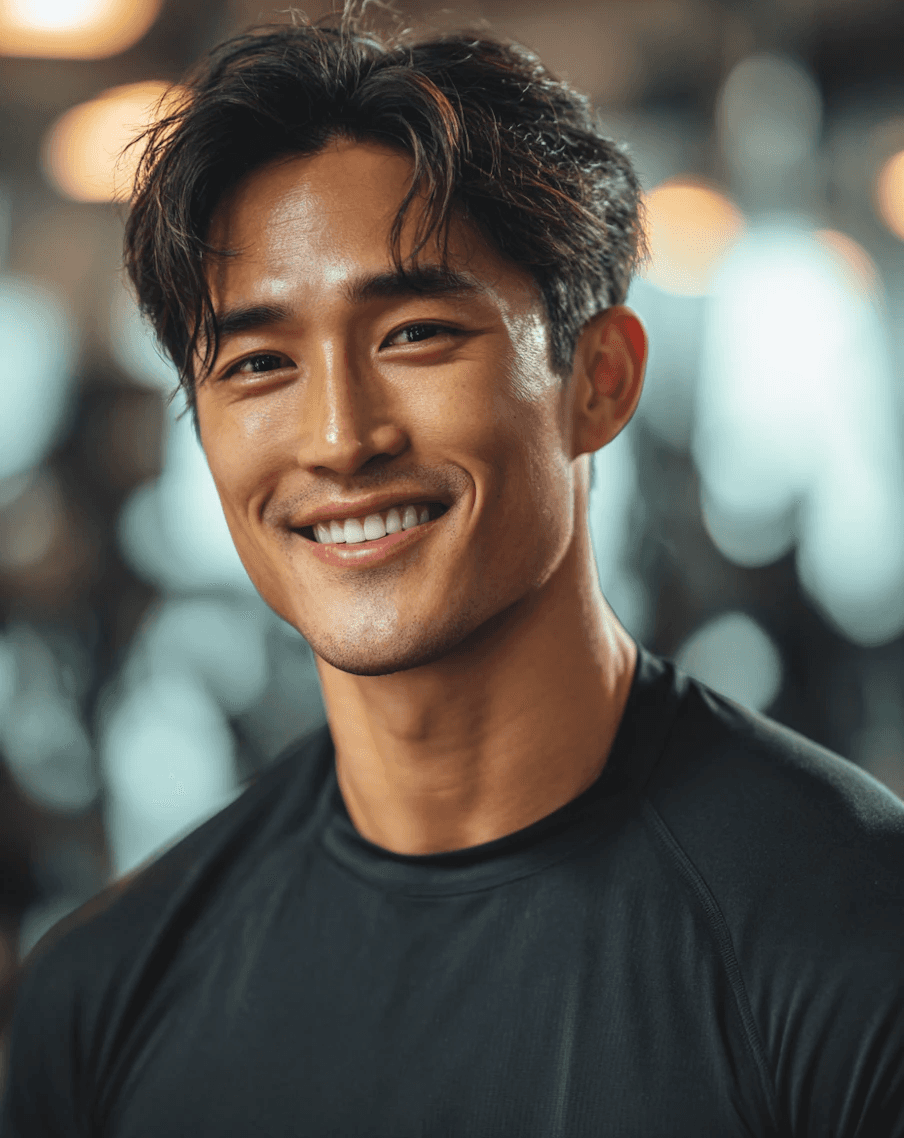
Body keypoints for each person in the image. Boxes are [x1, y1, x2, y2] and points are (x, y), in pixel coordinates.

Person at [3, 12, 904, 1137]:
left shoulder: (856, 939)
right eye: (261, 362)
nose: (338, 436)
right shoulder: (99, 992)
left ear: (601, 379)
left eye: (416, 335)